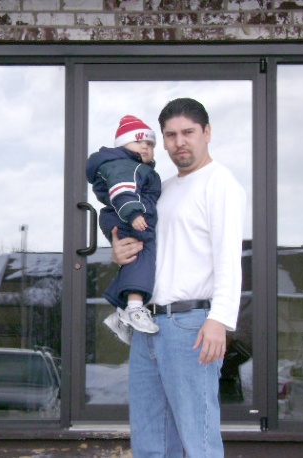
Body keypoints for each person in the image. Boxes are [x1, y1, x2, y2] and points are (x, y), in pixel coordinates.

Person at [112, 98, 246, 457]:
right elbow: (150, 250)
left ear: (207, 133)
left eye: (188, 132)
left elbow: (229, 259)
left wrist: (220, 319)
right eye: (170, 135)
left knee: (198, 441)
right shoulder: (163, 188)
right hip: (149, 326)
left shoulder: (220, 184)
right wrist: (120, 251)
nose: (178, 142)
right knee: (151, 443)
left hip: (191, 326)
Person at [86, 115, 161, 344]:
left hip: (124, 216)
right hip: (128, 216)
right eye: (139, 142)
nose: (145, 147)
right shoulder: (126, 167)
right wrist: (134, 214)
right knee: (142, 257)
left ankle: (121, 313)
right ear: (123, 145)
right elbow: (122, 191)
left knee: (139, 258)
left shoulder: (132, 166)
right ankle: (135, 308)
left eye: (149, 144)